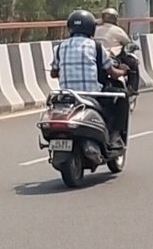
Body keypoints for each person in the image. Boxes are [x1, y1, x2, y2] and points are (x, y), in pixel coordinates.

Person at [49, 9, 129, 147]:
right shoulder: (96, 47)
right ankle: (115, 136)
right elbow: (112, 72)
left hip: (68, 96)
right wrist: (123, 72)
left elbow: (53, 73)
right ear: (91, 28)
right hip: (92, 95)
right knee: (122, 97)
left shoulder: (60, 47)